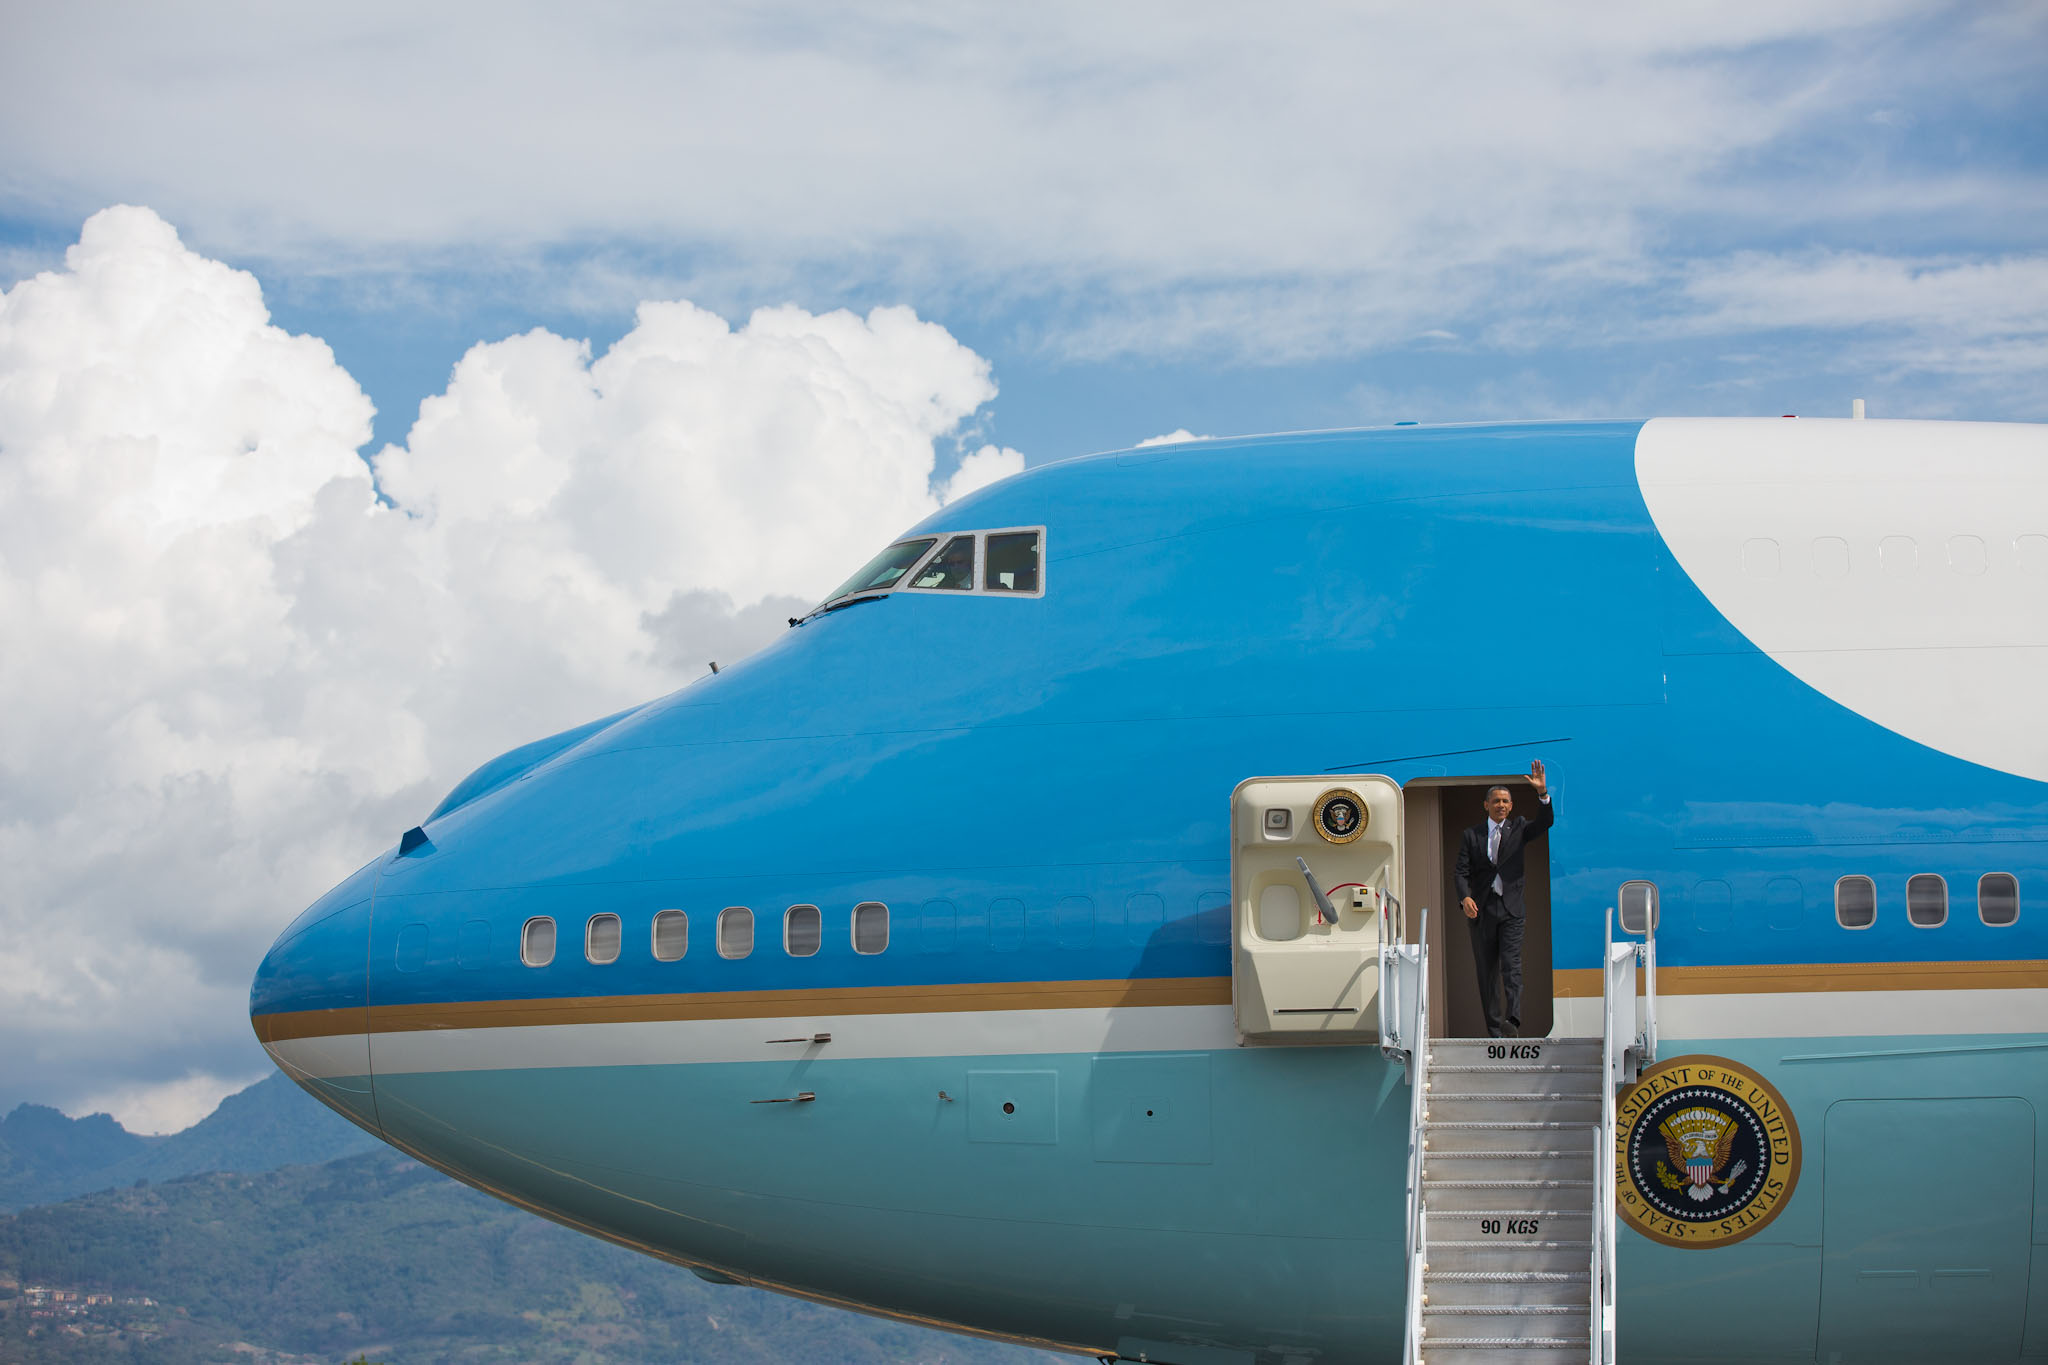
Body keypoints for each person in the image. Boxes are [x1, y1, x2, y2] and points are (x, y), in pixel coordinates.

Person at [1454, 760, 1554, 1038]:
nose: (1501, 805)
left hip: (1511, 910)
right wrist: (1465, 898)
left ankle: (1514, 1019)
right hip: (1482, 912)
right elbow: (1460, 872)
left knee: (1512, 968)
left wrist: (1542, 794)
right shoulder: (1471, 835)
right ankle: (1495, 1031)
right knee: (1486, 974)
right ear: (1486, 805)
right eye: (1496, 801)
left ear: (1511, 806)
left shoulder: (1520, 828)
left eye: (1506, 801)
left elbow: (1546, 822)